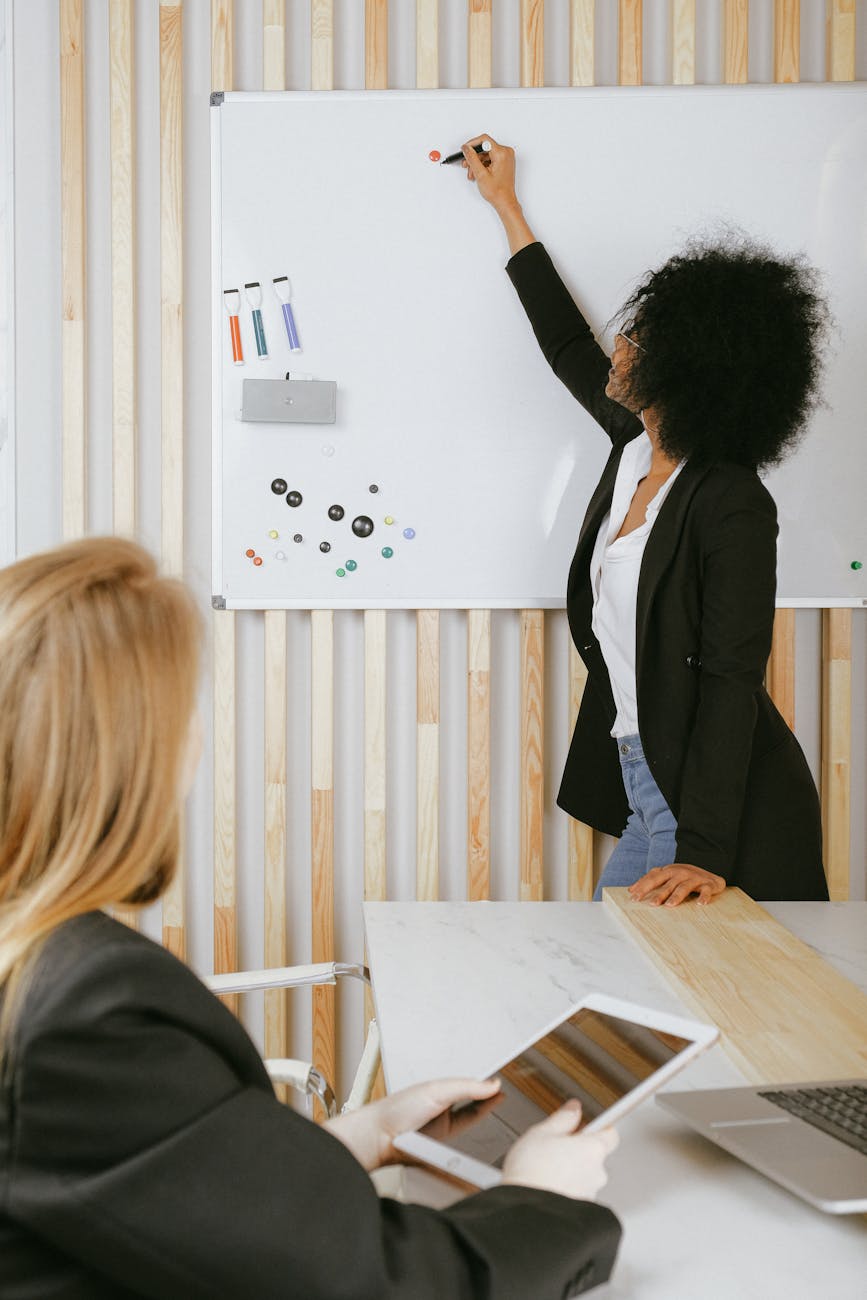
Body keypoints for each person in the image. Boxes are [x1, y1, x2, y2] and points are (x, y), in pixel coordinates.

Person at [0, 537, 621, 1300]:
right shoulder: (87, 1009)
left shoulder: (36, 966)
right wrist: (541, 1199)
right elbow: (374, 1286)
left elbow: (139, 1186)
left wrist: (360, 1139)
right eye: (185, 711)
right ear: (134, 753)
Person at [460, 135, 830, 907]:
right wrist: (506, 208)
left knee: (648, 987)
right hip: (643, 779)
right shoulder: (633, 448)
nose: (618, 345)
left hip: (705, 805)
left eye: (637, 338)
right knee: (635, 983)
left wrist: (700, 851)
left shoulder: (728, 501)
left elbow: (731, 679)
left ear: (684, 367)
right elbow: (563, 341)